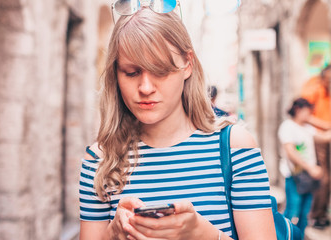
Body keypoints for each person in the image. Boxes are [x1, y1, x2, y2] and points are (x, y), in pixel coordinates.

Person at [79, 2, 276, 239]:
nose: (145, 87)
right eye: (131, 72)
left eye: (160, 70)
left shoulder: (235, 147)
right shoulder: (100, 160)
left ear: (187, 65)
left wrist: (203, 234)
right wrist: (114, 233)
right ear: (115, 73)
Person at [278, 98, 331, 237]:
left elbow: (325, 135)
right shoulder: (287, 126)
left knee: (305, 212)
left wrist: (311, 119)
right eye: (307, 111)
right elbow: (291, 152)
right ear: (298, 110)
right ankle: (282, 236)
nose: (310, 114)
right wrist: (310, 168)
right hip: (294, 176)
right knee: (292, 210)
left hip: (309, 177)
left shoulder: (308, 127)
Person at [301, 64, 331, 229]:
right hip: (318, 138)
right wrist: (326, 126)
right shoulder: (314, 89)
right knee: (323, 178)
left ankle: (321, 214)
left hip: (327, 137)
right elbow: (304, 116)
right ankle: (316, 215)